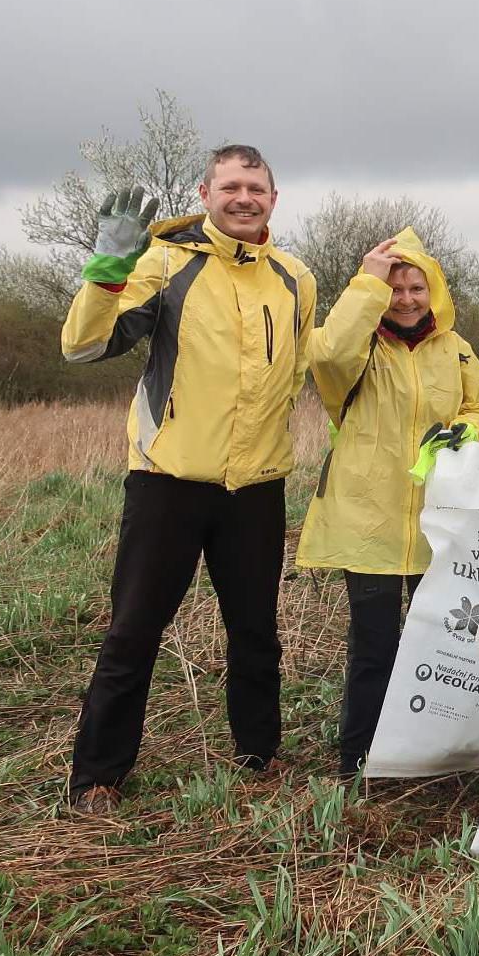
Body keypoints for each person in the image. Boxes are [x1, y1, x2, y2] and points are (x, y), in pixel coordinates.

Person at [61, 145, 316, 814]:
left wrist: (270, 443)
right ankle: (97, 778)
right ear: (205, 193)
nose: (243, 198)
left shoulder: (296, 278)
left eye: (255, 187)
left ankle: (259, 757)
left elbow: (292, 376)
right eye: (229, 186)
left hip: (256, 486)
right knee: (133, 631)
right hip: (167, 480)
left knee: (256, 632)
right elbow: (85, 346)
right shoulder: (165, 262)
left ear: (273, 199)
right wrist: (106, 272)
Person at [296, 228, 479, 777]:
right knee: (374, 649)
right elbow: (327, 353)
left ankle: (431, 755)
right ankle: (358, 761)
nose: (406, 299)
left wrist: (465, 431)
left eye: (416, 288)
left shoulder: (457, 350)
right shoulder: (359, 349)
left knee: (441, 646)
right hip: (368, 521)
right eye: (395, 288)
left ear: (435, 292)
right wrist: (367, 282)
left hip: (441, 524)